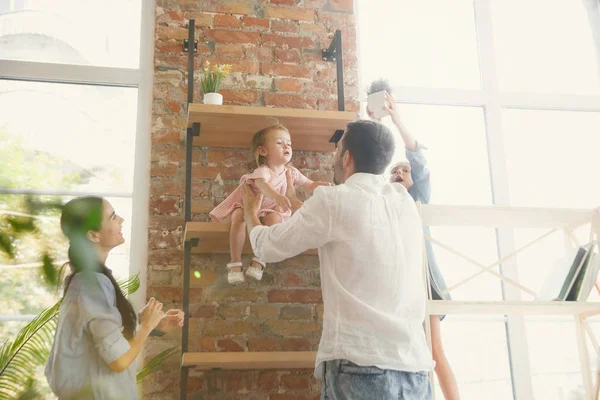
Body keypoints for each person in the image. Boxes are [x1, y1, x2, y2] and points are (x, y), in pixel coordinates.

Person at [241, 120, 434, 399]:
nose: (334, 158)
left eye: (337, 150)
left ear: (346, 157)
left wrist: (250, 214)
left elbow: (270, 247)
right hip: (415, 370)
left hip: (361, 366)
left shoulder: (334, 200)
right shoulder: (403, 201)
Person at [368, 92, 460, 400]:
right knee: (409, 353)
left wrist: (395, 119)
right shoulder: (385, 203)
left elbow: (417, 155)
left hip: (427, 283)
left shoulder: (417, 196)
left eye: (404, 171)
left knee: (434, 350)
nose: (398, 173)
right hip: (399, 286)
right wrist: (372, 127)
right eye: (394, 170)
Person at [45, 196, 184, 400]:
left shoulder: (90, 280)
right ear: (93, 235)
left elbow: (101, 339)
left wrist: (154, 325)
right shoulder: (92, 284)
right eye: (112, 217)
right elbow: (119, 361)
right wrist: (145, 326)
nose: (121, 219)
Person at [209, 124, 330, 285]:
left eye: (289, 143)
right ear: (263, 151)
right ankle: (235, 263)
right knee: (238, 217)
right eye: (280, 142)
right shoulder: (263, 170)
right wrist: (277, 197)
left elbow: (309, 184)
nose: (287, 145)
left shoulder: (291, 172)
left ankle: (258, 261)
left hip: (269, 208)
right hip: (249, 204)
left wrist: (320, 185)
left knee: (275, 219)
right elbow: (261, 185)